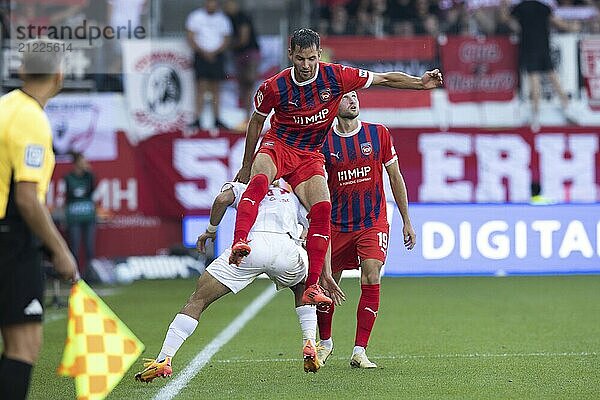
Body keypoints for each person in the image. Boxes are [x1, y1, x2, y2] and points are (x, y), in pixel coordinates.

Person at [229, 28, 441, 306]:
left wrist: (420, 83)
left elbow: (384, 78)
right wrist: (246, 164)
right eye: (301, 59)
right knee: (258, 181)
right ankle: (239, 243)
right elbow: (257, 121)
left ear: (319, 55)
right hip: (278, 145)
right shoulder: (274, 86)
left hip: (308, 155)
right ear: (290, 55)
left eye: (312, 59)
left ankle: (313, 286)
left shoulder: (337, 76)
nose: (306, 66)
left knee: (322, 209)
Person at [134, 180, 333, 382]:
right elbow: (317, 229)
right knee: (302, 288)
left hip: (251, 247)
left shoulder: (246, 186)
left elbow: (221, 200)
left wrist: (211, 230)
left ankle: (164, 358)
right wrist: (325, 272)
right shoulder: (293, 196)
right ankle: (309, 340)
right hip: (287, 249)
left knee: (198, 300)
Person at [0, 39, 78, 400]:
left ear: (20, 70)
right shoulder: (32, 118)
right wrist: (59, 250)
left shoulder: (5, 107)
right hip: (11, 237)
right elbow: (28, 199)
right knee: (23, 343)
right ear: (59, 75)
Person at [315, 91, 416, 369]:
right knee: (325, 284)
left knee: (371, 274)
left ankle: (360, 350)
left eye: (355, 95)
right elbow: (315, 186)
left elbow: (395, 176)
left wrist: (407, 219)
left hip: (372, 222)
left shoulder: (378, 134)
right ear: (334, 105)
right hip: (336, 224)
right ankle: (325, 343)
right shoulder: (324, 142)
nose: (353, 100)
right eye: (346, 97)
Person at [499, 0, 580, 131]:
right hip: (543, 46)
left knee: (534, 81)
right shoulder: (544, 7)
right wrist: (572, 27)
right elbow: (558, 22)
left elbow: (504, 19)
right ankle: (568, 108)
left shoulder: (521, 7)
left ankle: (535, 117)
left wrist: (503, 5)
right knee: (554, 79)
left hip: (529, 47)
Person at [186, 0, 233, 130]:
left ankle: (216, 119)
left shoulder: (223, 19)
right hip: (200, 55)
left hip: (217, 56)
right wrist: (203, 51)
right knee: (200, 87)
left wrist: (215, 52)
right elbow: (190, 36)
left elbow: (226, 39)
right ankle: (197, 119)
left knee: (216, 88)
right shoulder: (196, 17)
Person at [224, 0, 260, 121]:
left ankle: (251, 114)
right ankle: (245, 115)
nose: (227, 7)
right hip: (239, 55)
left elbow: (243, 39)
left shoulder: (242, 17)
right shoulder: (227, 18)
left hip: (250, 53)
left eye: (229, 4)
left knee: (249, 82)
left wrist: (225, 46)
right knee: (243, 85)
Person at [63, 152, 96, 279]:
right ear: (76, 163)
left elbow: (91, 190)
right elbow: (69, 194)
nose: (85, 164)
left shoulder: (89, 177)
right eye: (83, 161)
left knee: (89, 248)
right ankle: (74, 275)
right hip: (74, 217)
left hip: (88, 217)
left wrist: (89, 173)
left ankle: (89, 276)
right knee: (74, 248)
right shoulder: (68, 178)